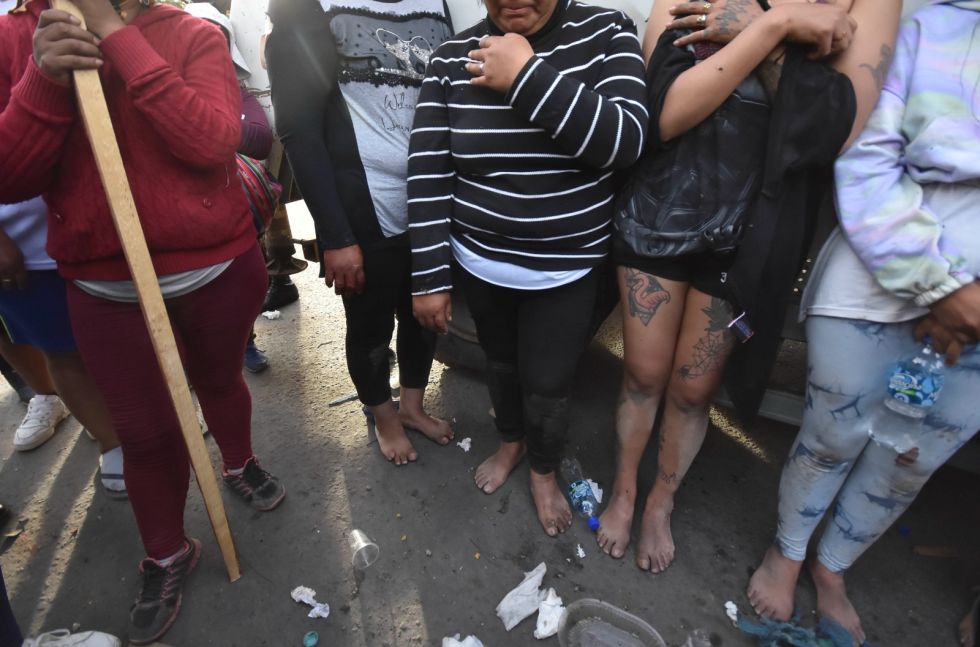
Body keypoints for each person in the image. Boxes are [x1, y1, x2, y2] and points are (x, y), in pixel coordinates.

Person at [0, 0, 285, 642]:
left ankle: (238, 461)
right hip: (102, 286)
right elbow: (10, 177)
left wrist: (116, 36)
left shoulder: (190, 32)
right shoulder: (15, 37)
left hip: (218, 268)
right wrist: (44, 78)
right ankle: (166, 551)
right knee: (143, 431)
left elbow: (213, 142)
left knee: (220, 383)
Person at [597, 0, 901, 575]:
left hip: (752, 235)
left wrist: (751, 31)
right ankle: (624, 490)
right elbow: (664, 113)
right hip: (660, 208)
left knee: (693, 390)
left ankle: (660, 502)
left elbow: (828, 130)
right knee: (642, 373)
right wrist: (779, 29)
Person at [747, 1, 979, 643]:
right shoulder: (933, 26)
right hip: (881, 269)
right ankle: (787, 550)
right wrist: (945, 288)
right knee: (830, 435)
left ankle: (832, 566)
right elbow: (864, 151)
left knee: (911, 460)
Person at [408, 0, 648, 535]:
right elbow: (428, 171)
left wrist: (525, 75)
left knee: (548, 383)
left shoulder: (607, 32)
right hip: (482, 264)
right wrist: (429, 276)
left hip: (565, 270)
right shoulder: (450, 59)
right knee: (500, 365)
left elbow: (625, 142)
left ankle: (542, 471)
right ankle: (511, 442)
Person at [266, 0, 455, 465]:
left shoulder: (437, 2)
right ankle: (385, 418)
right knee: (370, 326)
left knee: (424, 316)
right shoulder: (306, 6)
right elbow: (298, 129)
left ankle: (412, 407)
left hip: (431, 205)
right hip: (364, 208)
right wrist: (336, 236)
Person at [184, 1, 277, 374]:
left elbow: (259, 139)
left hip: (235, 212)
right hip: (184, 215)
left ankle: (245, 342)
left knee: (244, 282)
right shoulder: (163, 91)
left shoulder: (241, 95)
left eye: (215, 44)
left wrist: (196, 122)